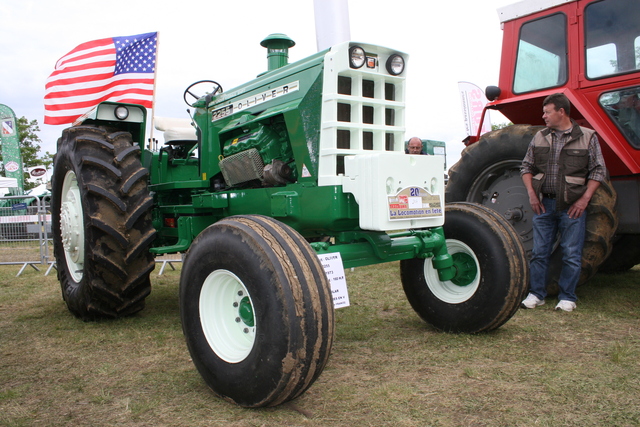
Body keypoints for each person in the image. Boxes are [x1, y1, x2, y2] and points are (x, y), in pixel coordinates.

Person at [520, 93, 606, 312]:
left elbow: (598, 171)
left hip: (572, 207)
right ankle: (536, 294)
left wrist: (584, 200)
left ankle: (568, 297)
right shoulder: (540, 136)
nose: (544, 116)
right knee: (539, 252)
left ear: (561, 111)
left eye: (547, 112)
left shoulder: (588, 136)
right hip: (543, 205)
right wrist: (531, 193)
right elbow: (526, 167)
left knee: (571, 253)